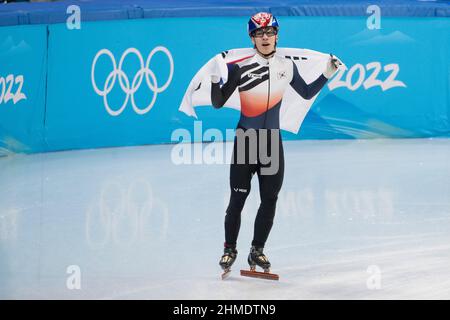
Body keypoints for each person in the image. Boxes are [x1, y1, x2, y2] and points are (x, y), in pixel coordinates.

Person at [211, 12, 341, 273]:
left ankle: (257, 250)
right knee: (238, 199)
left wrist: (326, 74)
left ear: (277, 35)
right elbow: (217, 102)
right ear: (252, 38)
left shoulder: (287, 66)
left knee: (269, 199)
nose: (265, 37)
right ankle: (229, 249)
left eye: (269, 32)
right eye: (260, 34)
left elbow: (305, 92)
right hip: (246, 141)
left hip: (271, 143)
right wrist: (216, 79)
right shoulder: (239, 68)